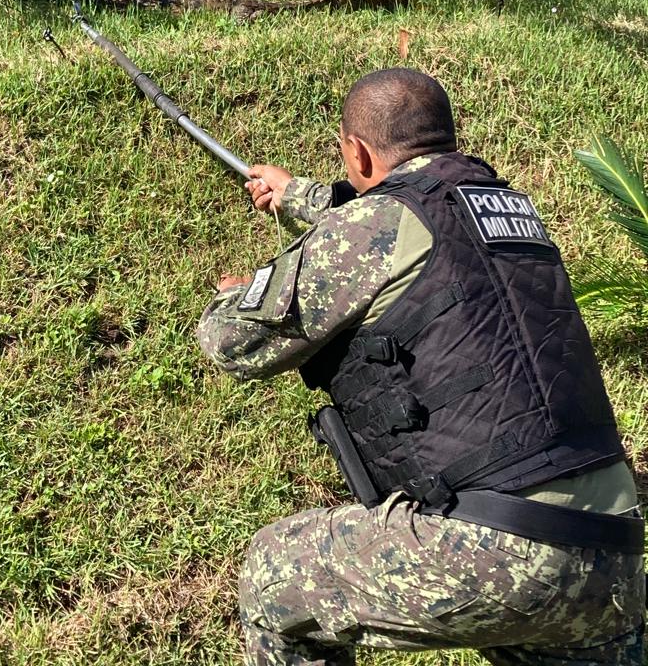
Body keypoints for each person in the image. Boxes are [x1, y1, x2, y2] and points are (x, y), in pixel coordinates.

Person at [196, 68, 645, 666]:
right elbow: (405, 223)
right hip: (616, 552)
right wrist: (299, 194)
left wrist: (233, 294)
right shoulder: (505, 206)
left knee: (271, 576)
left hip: (506, 549)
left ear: (355, 150)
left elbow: (231, 344)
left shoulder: (374, 225)